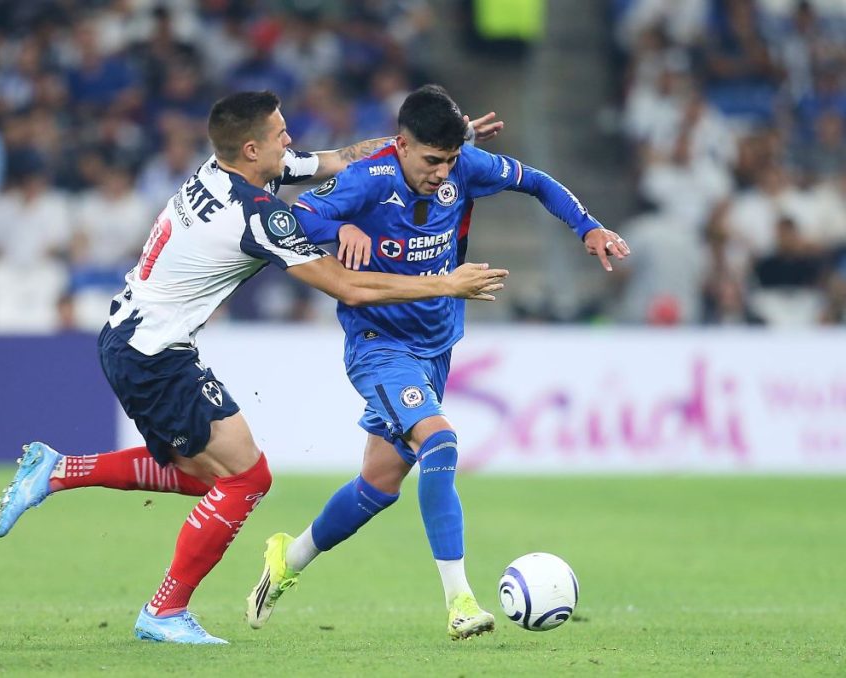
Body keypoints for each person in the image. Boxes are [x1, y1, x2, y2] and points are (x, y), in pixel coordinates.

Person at [0, 90, 508, 646]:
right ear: (251, 148)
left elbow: (345, 157)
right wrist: (445, 283)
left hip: (135, 339)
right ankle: (164, 610)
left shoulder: (225, 171)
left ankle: (59, 470)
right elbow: (348, 287)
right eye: (281, 133)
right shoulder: (256, 214)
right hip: (153, 355)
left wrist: (442, 141)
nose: (291, 140)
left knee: (207, 476)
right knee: (246, 479)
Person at [245, 85, 630, 640]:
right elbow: (298, 214)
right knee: (441, 442)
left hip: (436, 346)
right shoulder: (368, 179)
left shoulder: (464, 166)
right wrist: (340, 227)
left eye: (450, 159)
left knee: (379, 484)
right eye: (432, 160)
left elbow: (537, 181)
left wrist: (587, 226)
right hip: (379, 344)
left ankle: (288, 557)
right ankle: (460, 601)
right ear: (401, 145)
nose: (443, 173)